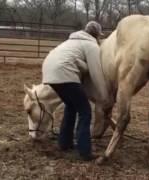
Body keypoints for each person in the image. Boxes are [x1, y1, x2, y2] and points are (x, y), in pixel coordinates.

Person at [42, 21, 109, 161]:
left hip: (49, 73)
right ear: (96, 35)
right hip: (66, 74)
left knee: (71, 107)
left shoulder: (71, 41)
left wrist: (82, 66)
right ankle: (85, 151)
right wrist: (104, 96)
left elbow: (79, 64)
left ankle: (64, 143)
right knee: (85, 111)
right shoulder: (91, 45)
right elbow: (96, 73)